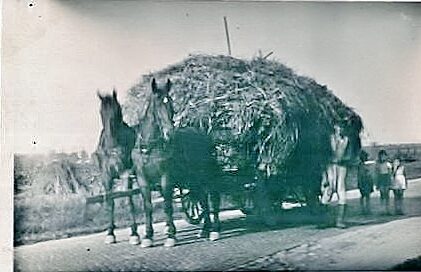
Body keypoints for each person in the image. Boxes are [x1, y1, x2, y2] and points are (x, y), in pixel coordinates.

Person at [320, 123, 350, 228]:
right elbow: (325, 154)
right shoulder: (330, 139)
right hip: (330, 165)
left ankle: (339, 220)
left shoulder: (346, 140)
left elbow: (350, 155)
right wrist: (325, 174)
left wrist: (343, 159)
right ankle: (326, 220)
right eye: (337, 127)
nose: (339, 129)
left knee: (341, 190)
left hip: (341, 166)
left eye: (341, 127)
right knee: (329, 189)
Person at [375, 150, 392, 215]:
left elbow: (390, 173)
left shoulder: (388, 164)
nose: (382, 157)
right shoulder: (378, 164)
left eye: (384, 155)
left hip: (386, 178)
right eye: (381, 156)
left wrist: (390, 181)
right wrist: (377, 182)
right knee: (382, 194)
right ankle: (382, 210)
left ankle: (387, 210)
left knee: (387, 194)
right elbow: (377, 173)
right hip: (381, 178)